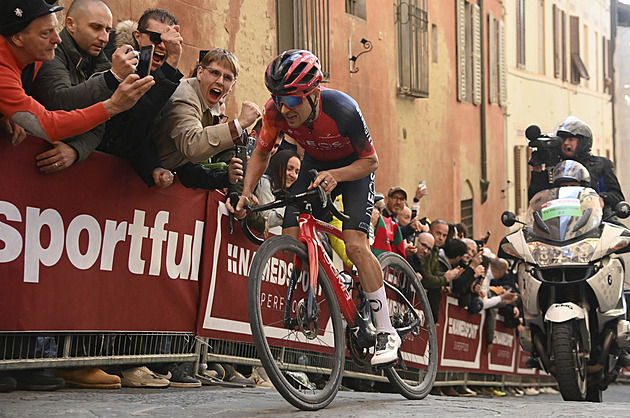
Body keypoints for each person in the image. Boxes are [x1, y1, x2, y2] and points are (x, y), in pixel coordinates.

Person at [231, 49, 401, 366]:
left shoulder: (343, 109)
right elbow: (262, 153)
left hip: (353, 170)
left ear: (314, 92)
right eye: (279, 98)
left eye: (293, 100)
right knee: (292, 234)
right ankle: (326, 290)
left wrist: (336, 176)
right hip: (315, 165)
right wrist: (247, 192)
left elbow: (371, 161)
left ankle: (386, 331)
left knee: (354, 244)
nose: (285, 108)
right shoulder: (275, 112)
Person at [0, 0, 154, 147]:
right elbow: (47, 124)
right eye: (46, 33)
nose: (57, 39)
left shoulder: (38, 52)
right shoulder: (4, 70)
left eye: (108, 30)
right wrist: (113, 105)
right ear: (17, 38)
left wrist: (8, 115)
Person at [29, 0, 140, 174]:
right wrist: (112, 78)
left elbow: (98, 125)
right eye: (96, 27)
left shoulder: (101, 64)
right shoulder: (52, 50)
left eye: (108, 30)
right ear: (71, 24)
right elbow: (59, 100)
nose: (104, 38)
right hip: (26, 152)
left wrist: (75, 151)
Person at [97, 8, 186, 187]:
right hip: (86, 160)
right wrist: (174, 58)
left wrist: (154, 167)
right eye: (155, 38)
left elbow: (140, 133)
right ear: (138, 36)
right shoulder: (113, 61)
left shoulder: (159, 77)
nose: (162, 46)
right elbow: (140, 111)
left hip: (113, 179)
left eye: (168, 42)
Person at [152, 47, 259, 190]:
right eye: (215, 73)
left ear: (232, 86)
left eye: (227, 78)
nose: (220, 81)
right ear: (200, 73)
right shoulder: (185, 96)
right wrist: (239, 124)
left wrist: (227, 177)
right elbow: (192, 147)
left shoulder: (209, 103)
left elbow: (186, 167)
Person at [528, 116, 624, 216]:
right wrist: (537, 171)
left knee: (623, 231)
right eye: (563, 140)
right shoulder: (555, 167)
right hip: (558, 221)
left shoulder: (601, 164)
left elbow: (617, 197)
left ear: (583, 142)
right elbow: (535, 200)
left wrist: (602, 198)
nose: (566, 143)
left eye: (571, 139)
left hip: (597, 220)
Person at [419, 219, 463, 322]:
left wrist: (448, 275)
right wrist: (445, 278)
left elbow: (434, 272)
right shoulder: (426, 248)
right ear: (430, 232)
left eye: (444, 235)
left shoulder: (436, 250)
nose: (441, 238)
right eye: (438, 233)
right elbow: (427, 279)